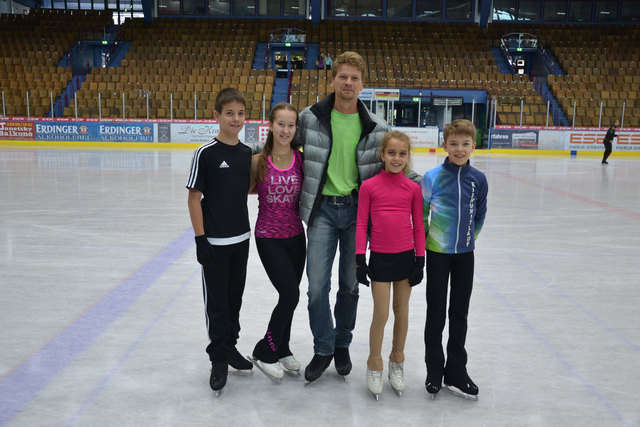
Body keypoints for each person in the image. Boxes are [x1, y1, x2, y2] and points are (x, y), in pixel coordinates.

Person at [296, 51, 421, 383]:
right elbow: (280, 149)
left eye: (354, 78)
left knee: (350, 287)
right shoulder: (310, 118)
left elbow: (400, 167)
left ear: (362, 84)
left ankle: (341, 344)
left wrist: (436, 184)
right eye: (343, 76)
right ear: (333, 79)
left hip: (356, 213)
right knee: (316, 289)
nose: (348, 82)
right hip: (321, 210)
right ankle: (323, 347)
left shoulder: (377, 128)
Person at [186, 88, 254, 394]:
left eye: (240, 113)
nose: (235, 119)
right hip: (214, 242)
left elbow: (244, 190)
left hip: (241, 239)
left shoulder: (246, 153)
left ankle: (231, 348)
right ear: (216, 116)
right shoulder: (206, 153)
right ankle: (217, 357)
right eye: (229, 113)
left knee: (234, 300)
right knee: (217, 304)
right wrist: (201, 240)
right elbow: (194, 198)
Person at [421, 119, 488, 400]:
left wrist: (468, 241)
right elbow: (422, 215)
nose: (459, 149)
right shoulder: (432, 177)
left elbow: (480, 215)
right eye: (453, 144)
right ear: (444, 145)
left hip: (464, 256)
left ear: (473, 145)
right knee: (435, 313)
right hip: (437, 254)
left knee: (459, 314)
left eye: (465, 144)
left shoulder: (479, 179)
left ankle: (457, 371)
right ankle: (435, 369)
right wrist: (428, 243)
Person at [355, 131, 425, 398]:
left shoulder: (413, 188)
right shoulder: (369, 186)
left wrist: (420, 260)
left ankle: (397, 360)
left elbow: (418, 225)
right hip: (381, 258)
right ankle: (375, 363)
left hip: (406, 257)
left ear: (408, 158)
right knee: (381, 313)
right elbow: (362, 224)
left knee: (402, 312)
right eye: (392, 153)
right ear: (382, 154)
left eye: (402, 154)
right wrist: (360, 258)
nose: (397, 158)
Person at [247, 103, 306, 381]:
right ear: (271, 125)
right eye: (281, 124)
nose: (285, 130)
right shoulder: (259, 161)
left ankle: (282, 347)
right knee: (289, 294)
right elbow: (238, 191)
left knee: (290, 297)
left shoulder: (301, 159)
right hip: (268, 237)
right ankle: (265, 351)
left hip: (296, 237)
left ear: (296, 128)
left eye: (291, 125)